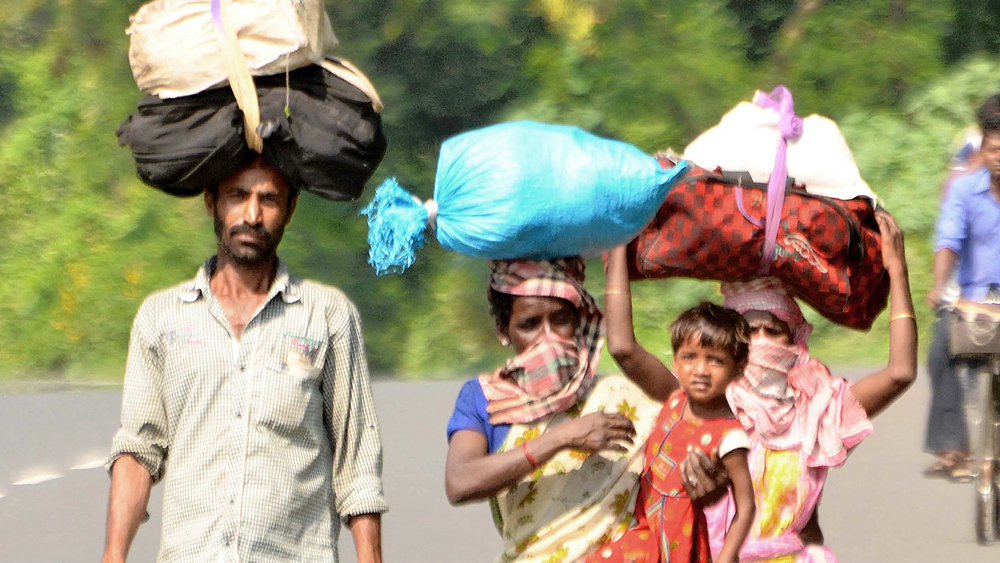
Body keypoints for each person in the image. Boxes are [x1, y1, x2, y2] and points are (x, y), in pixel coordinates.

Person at [102, 158, 387, 563]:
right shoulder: (161, 318)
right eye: (238, 195)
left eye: (268, 199)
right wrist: (113, 556)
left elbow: (356, 462)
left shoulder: (326, 315)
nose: (252, 215)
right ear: (210, 200)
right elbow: (138, 451)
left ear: (290, 209)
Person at [642, 211, 916, 562]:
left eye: (773, 331)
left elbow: (900, 373)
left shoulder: (819, 410)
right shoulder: (705, 400)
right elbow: (625, 350)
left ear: (794, 341)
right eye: (749, 332)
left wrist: (897, 271)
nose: (761, 343)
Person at [444, 258, 662, 563]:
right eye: (530, 324)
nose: (548, 337)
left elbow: (684, 425)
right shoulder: (485, 399)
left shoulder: (618, 396)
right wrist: (562, 438)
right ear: (503, 331)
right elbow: (460, 482)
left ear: (579, 321)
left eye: (560, 319)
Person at [584, 291, 756, 563]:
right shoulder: (675, 398)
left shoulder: (728, 434)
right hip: (642, 520)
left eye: (715, 360)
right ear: (675, 361)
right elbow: (623, 347)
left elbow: (745, 505)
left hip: (677, 536)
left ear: (738, 368)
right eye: (690, 357)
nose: (700, 370)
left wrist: (727, 555)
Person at [924, 94, 1000, 480]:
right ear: (982, 147)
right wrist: (939, 285)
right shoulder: (964, 188)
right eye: (993, 147)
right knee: (941, 352)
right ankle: (954, 446)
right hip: (975, 299)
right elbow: (949, 240)